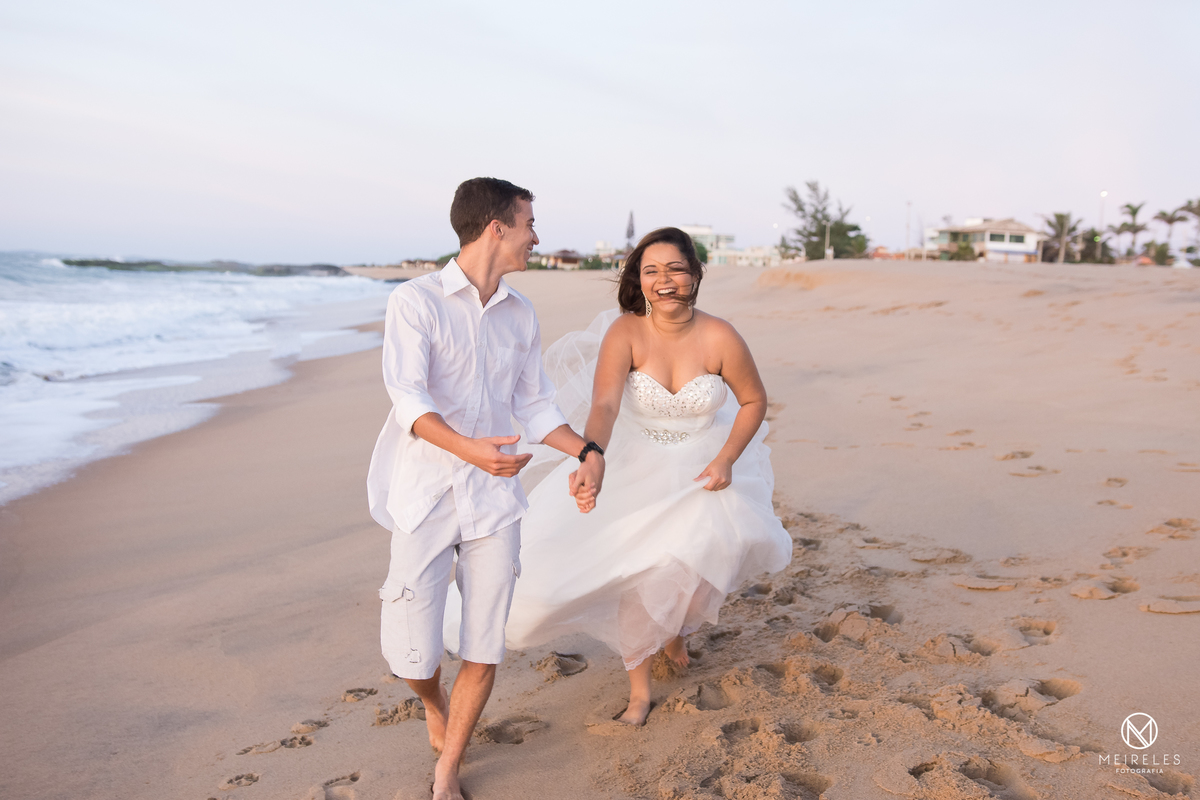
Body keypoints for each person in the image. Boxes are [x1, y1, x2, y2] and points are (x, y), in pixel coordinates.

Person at [496, 226, 793, 726]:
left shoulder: (720, 335)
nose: (664, 280)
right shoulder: (626, 332)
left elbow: (753, 401)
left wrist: (727, 458)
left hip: (704, 464)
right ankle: (639, 692)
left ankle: (675, 631)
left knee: (701, 562)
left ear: (695, 273)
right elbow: (605, 405)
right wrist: (592, 456)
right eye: (651, 271)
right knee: (640, 572)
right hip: (637, 463)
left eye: (675, 269)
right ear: (639, 280)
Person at [366, 177, 605, 800]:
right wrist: (470, 449)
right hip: (425, 494)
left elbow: (536, 405)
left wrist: (586, 450)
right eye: (529, 225)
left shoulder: (521, 313)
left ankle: (448, 768)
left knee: (483, 640)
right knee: (411, 655)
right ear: (497, 227)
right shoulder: (415, 301)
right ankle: (432, 701)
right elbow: (408, 401)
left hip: (496, 504)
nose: (535, 238)